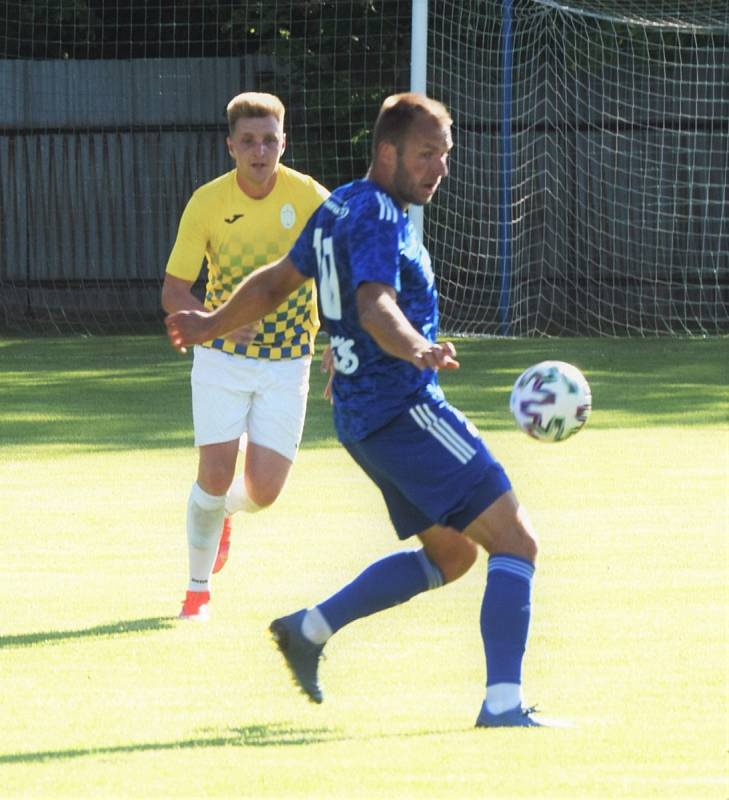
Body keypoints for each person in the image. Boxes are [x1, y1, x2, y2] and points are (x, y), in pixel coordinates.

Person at [165, 92, 550, 727]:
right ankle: (503, 705)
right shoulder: (374, 214)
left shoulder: (338, 202)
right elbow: (375, 304)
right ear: (387, 151)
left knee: (452, 556)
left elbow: (273, 282)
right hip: (404, 408)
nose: (439, 169)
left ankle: (308, 631)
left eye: (445, 157)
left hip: (363, 417)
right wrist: (416, 347)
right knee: (519, 542)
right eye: (427, 155)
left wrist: (210, 321)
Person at [162, 92, 329, 621]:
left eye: (269, 140)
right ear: (230, 145)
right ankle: (196, 592)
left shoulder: (311, 199)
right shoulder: (207, 203)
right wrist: (220, 326)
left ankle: (226, 514)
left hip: (289, 362)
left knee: (265, 491)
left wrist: (344, 343)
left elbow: (343, 273)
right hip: (220, 359)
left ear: (285, 143)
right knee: (213, 473)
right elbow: (174, 291)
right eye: (249, 141)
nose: (260, 151)